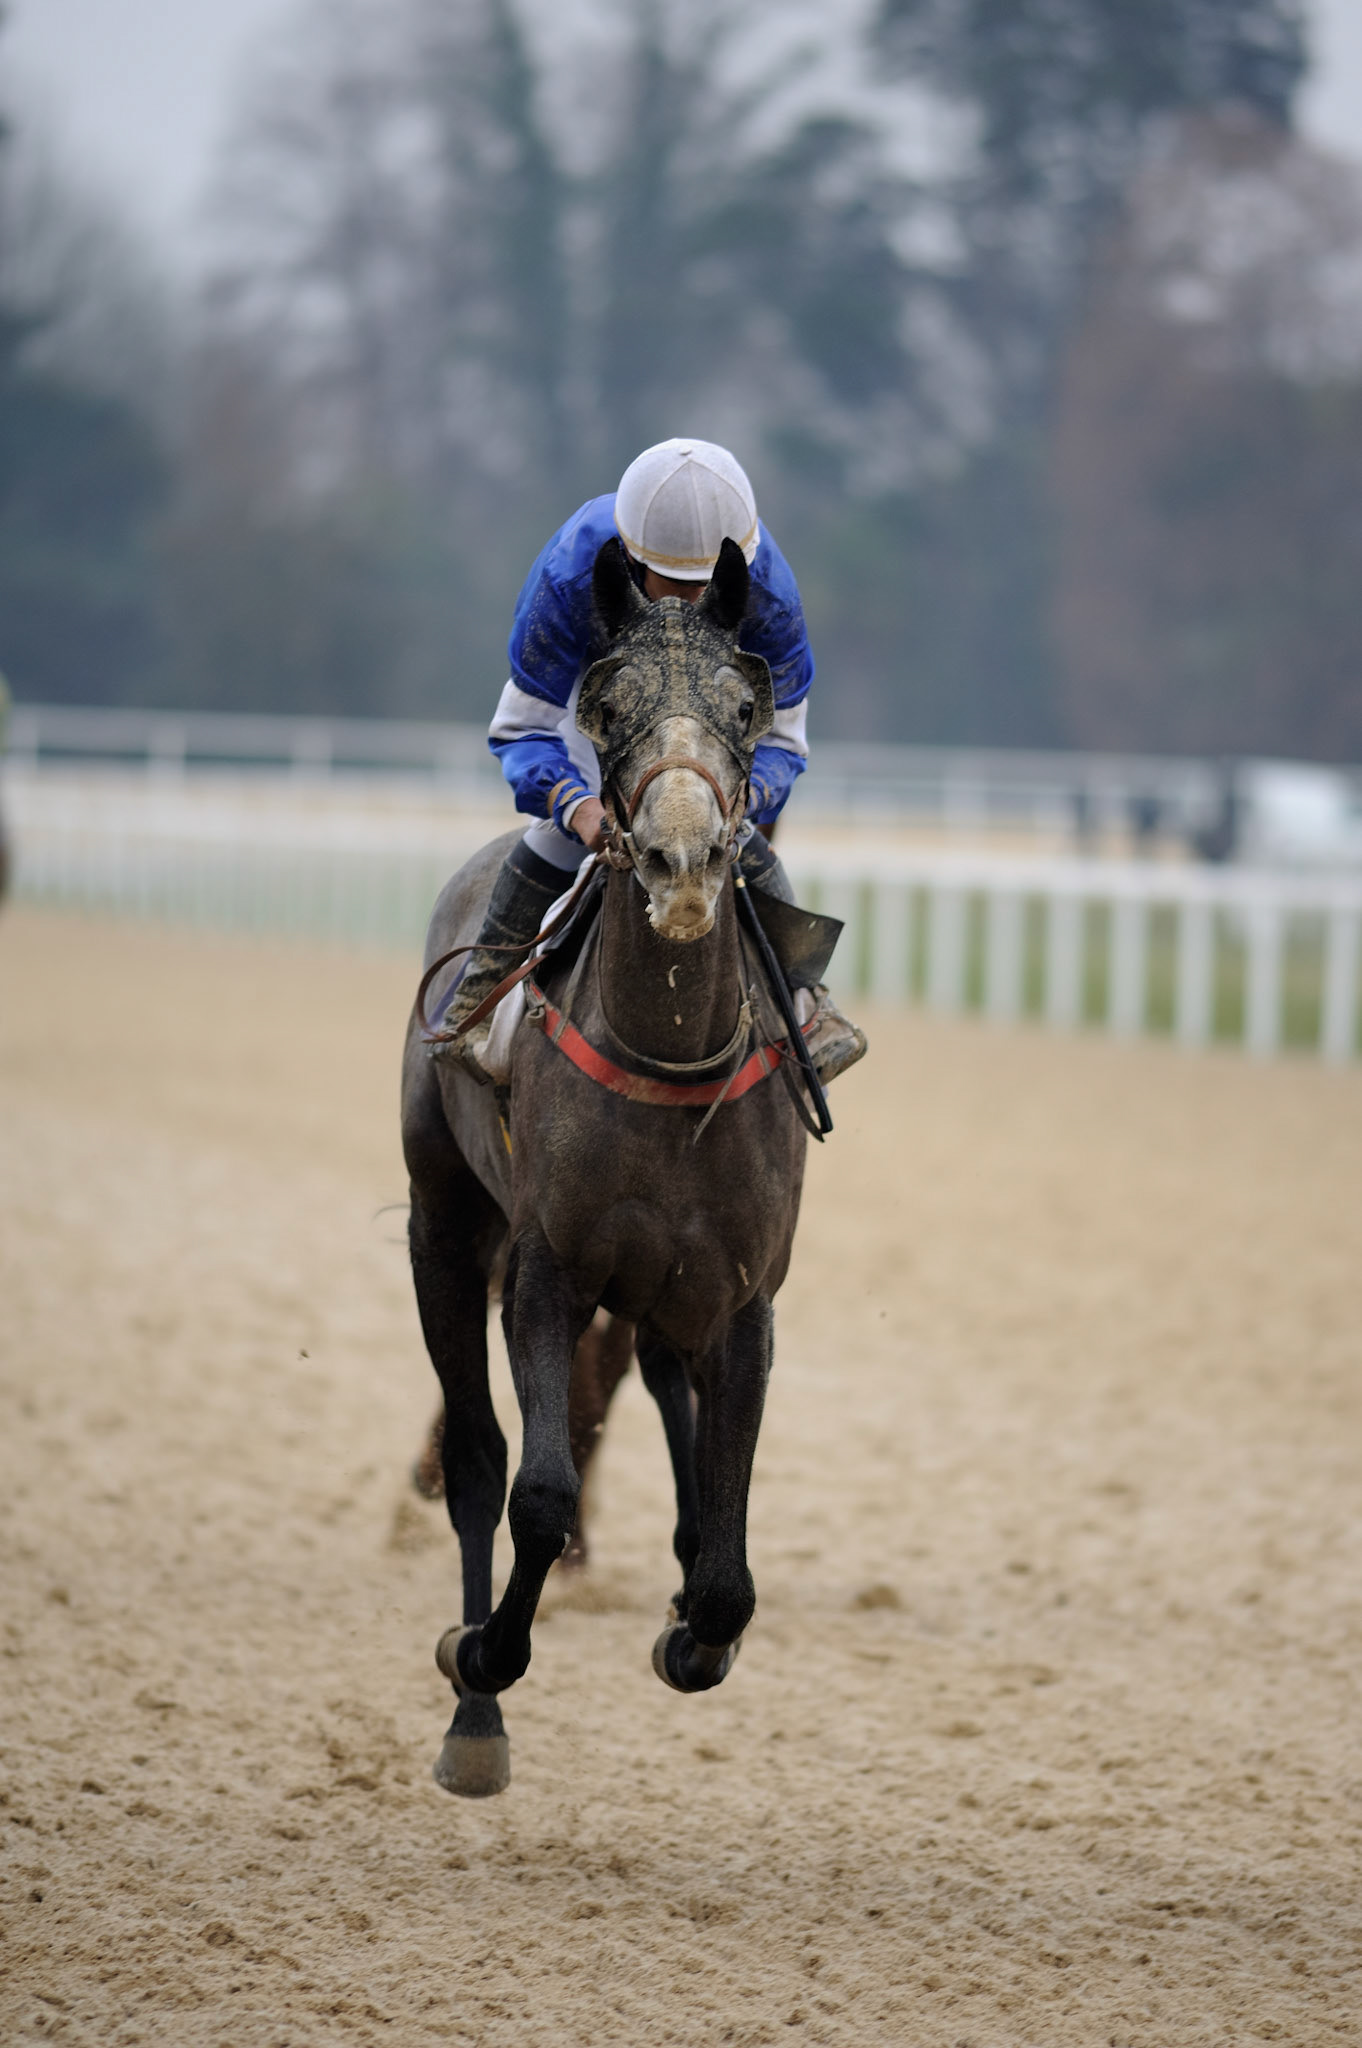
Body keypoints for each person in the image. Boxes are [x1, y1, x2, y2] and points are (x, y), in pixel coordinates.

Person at [442, 437, 866, 1083]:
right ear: (632, 562)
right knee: (554, 840)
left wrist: (740, 803)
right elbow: (523, 727)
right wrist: (581, 813)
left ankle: (811, 1006)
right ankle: (478, 995)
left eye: (708, 589)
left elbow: (783, 743)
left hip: (713, 731)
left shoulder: (768, 593)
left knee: (739, 838)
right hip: (610, 699)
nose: (692, 604)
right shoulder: (571, 574)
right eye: (675, 584)